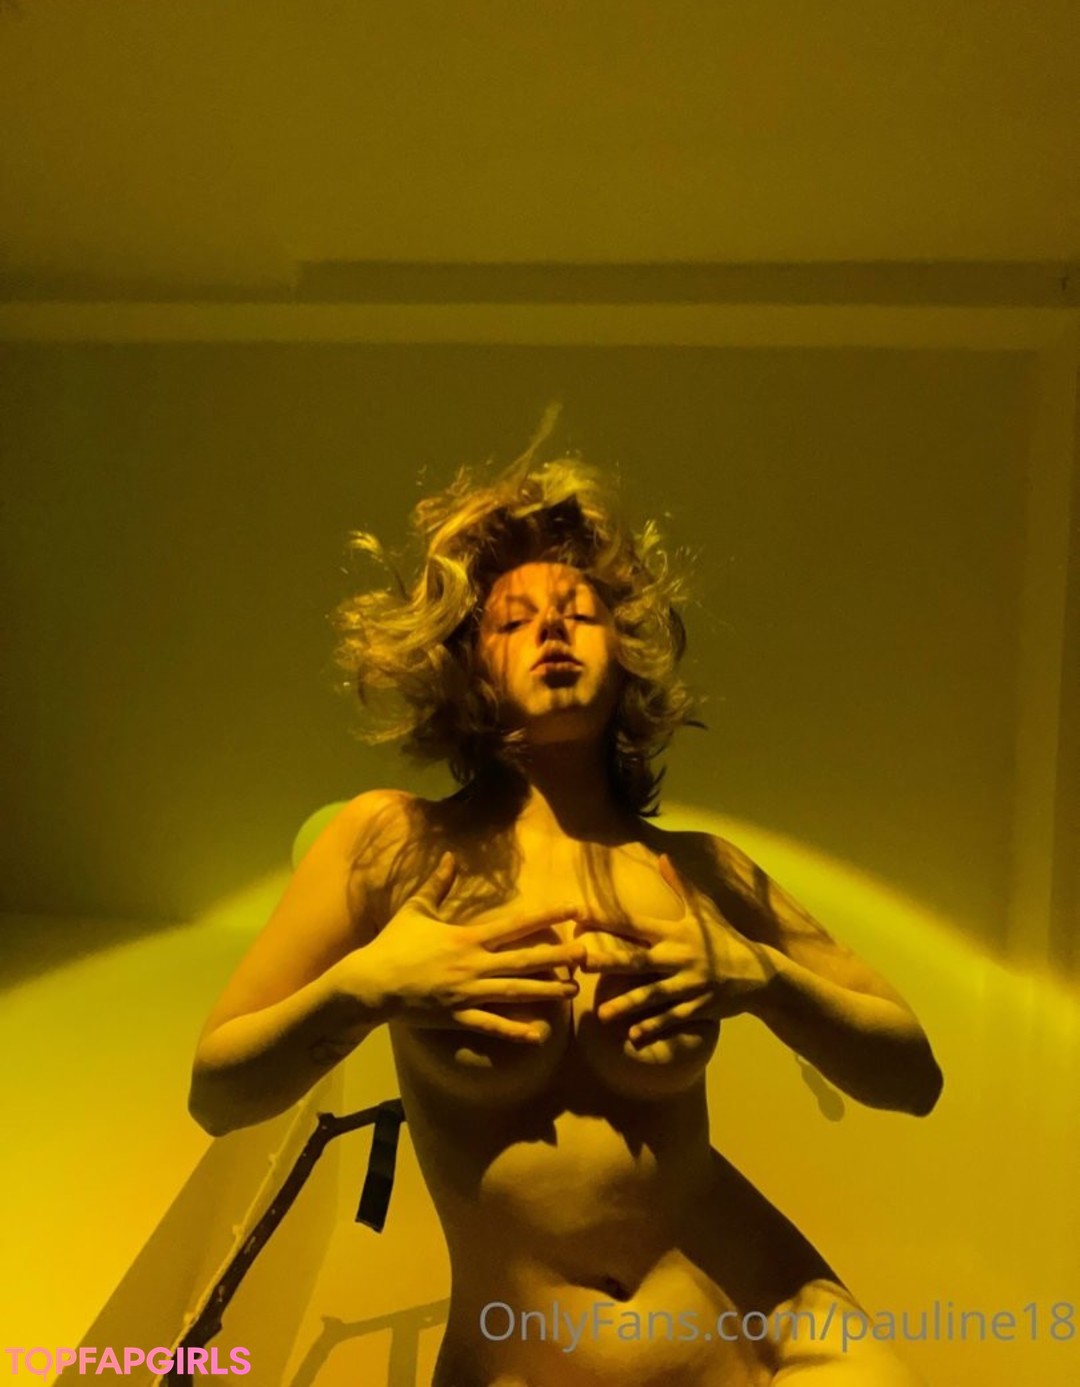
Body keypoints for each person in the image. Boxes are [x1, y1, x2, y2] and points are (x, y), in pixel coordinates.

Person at [188, 406, 943, 1386]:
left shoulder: (698, 870)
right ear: (468, 662)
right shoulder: (395, 844)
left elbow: (913, 1078)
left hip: (761, 1346)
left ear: (624, 653)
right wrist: (366, 986)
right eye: (513, 620)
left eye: (581, 614)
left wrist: (763, 977)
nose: (552, 628)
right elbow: (217, 1095)